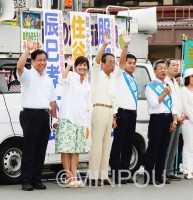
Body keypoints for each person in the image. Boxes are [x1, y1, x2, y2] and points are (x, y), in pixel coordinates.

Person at [17, 36, 58, 191]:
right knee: (29, 149)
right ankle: (26, 180)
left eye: (44, 60)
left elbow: (52, 101)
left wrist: (55, 118)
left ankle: (36, 179)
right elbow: (19, 66)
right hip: (30, 115)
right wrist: (27, 50)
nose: (42, 63)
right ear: (33, 61)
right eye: (39, 60)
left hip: (44, 115)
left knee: (41, 149)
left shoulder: (48, 79)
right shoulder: (27, 75)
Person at [55, 56, 90, 188]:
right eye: (79, 65)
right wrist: (68, 66)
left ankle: (74, 177)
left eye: (85, 65)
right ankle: (68, 177)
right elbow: (61, 80)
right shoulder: (70, 76)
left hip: (80, 119)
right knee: (66, 149)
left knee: (76, 150)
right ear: (75, 67)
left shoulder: (87, 83)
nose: (82, 67)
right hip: (68, 117)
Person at [88, 30, 117, 186]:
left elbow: (114, 98)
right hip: (98, 109)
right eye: (110, 61)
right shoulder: (97, 75)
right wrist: (105, 44)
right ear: (104, 63)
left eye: (114, 62)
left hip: (109, 111)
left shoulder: (113, 78)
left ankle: (103, 175)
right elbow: (96, 61)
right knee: (97, 144)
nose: (113, 64)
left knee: (107, 144)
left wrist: (114, 116)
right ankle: (93, 176)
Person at [110, 34, 138, 184]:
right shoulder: (119, 74)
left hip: (132, 114)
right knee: (118, 144)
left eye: (134, 63)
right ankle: (115, 173)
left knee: (128, 145)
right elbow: (120, 62)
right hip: (121, 113)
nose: (132, 65)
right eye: (129, 62)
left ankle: (125, 173)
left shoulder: (132, 78)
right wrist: (125, 47)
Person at [144, 59, 177, 185]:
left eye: (165, 68)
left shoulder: (167, 86)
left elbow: (172, 104)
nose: (163, 70)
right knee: (154, 148)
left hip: (168, 118)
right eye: (160, 68)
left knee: (163, 148)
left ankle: (159, 175)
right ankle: (148, 176)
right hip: (157, 118)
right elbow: (154, 103)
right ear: (155, 71)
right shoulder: (150, 86)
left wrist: (174, 120)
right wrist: (164, 93)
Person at [164, 59, 183, 181]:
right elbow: (170, 102)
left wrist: (182, 115)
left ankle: (169, 170)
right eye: (173, 65)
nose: (176, 68)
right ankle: (163, 170)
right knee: (166, 145)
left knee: (174, 145)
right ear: (167, 67)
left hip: (178, 117)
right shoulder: (165, 81)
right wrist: (175, 117)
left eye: (178, 66)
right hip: (170, 117)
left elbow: (179, 101)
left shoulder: (175, 82)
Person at [173, 73, 184, 175]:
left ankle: (177, 166)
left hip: (182, 124)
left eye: (180, 81)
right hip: (175, 121)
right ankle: (172, 167)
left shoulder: (181, 91)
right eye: (177, 81)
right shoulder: (172, 89)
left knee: (180, 146)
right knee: (172, 146)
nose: (178, 83)